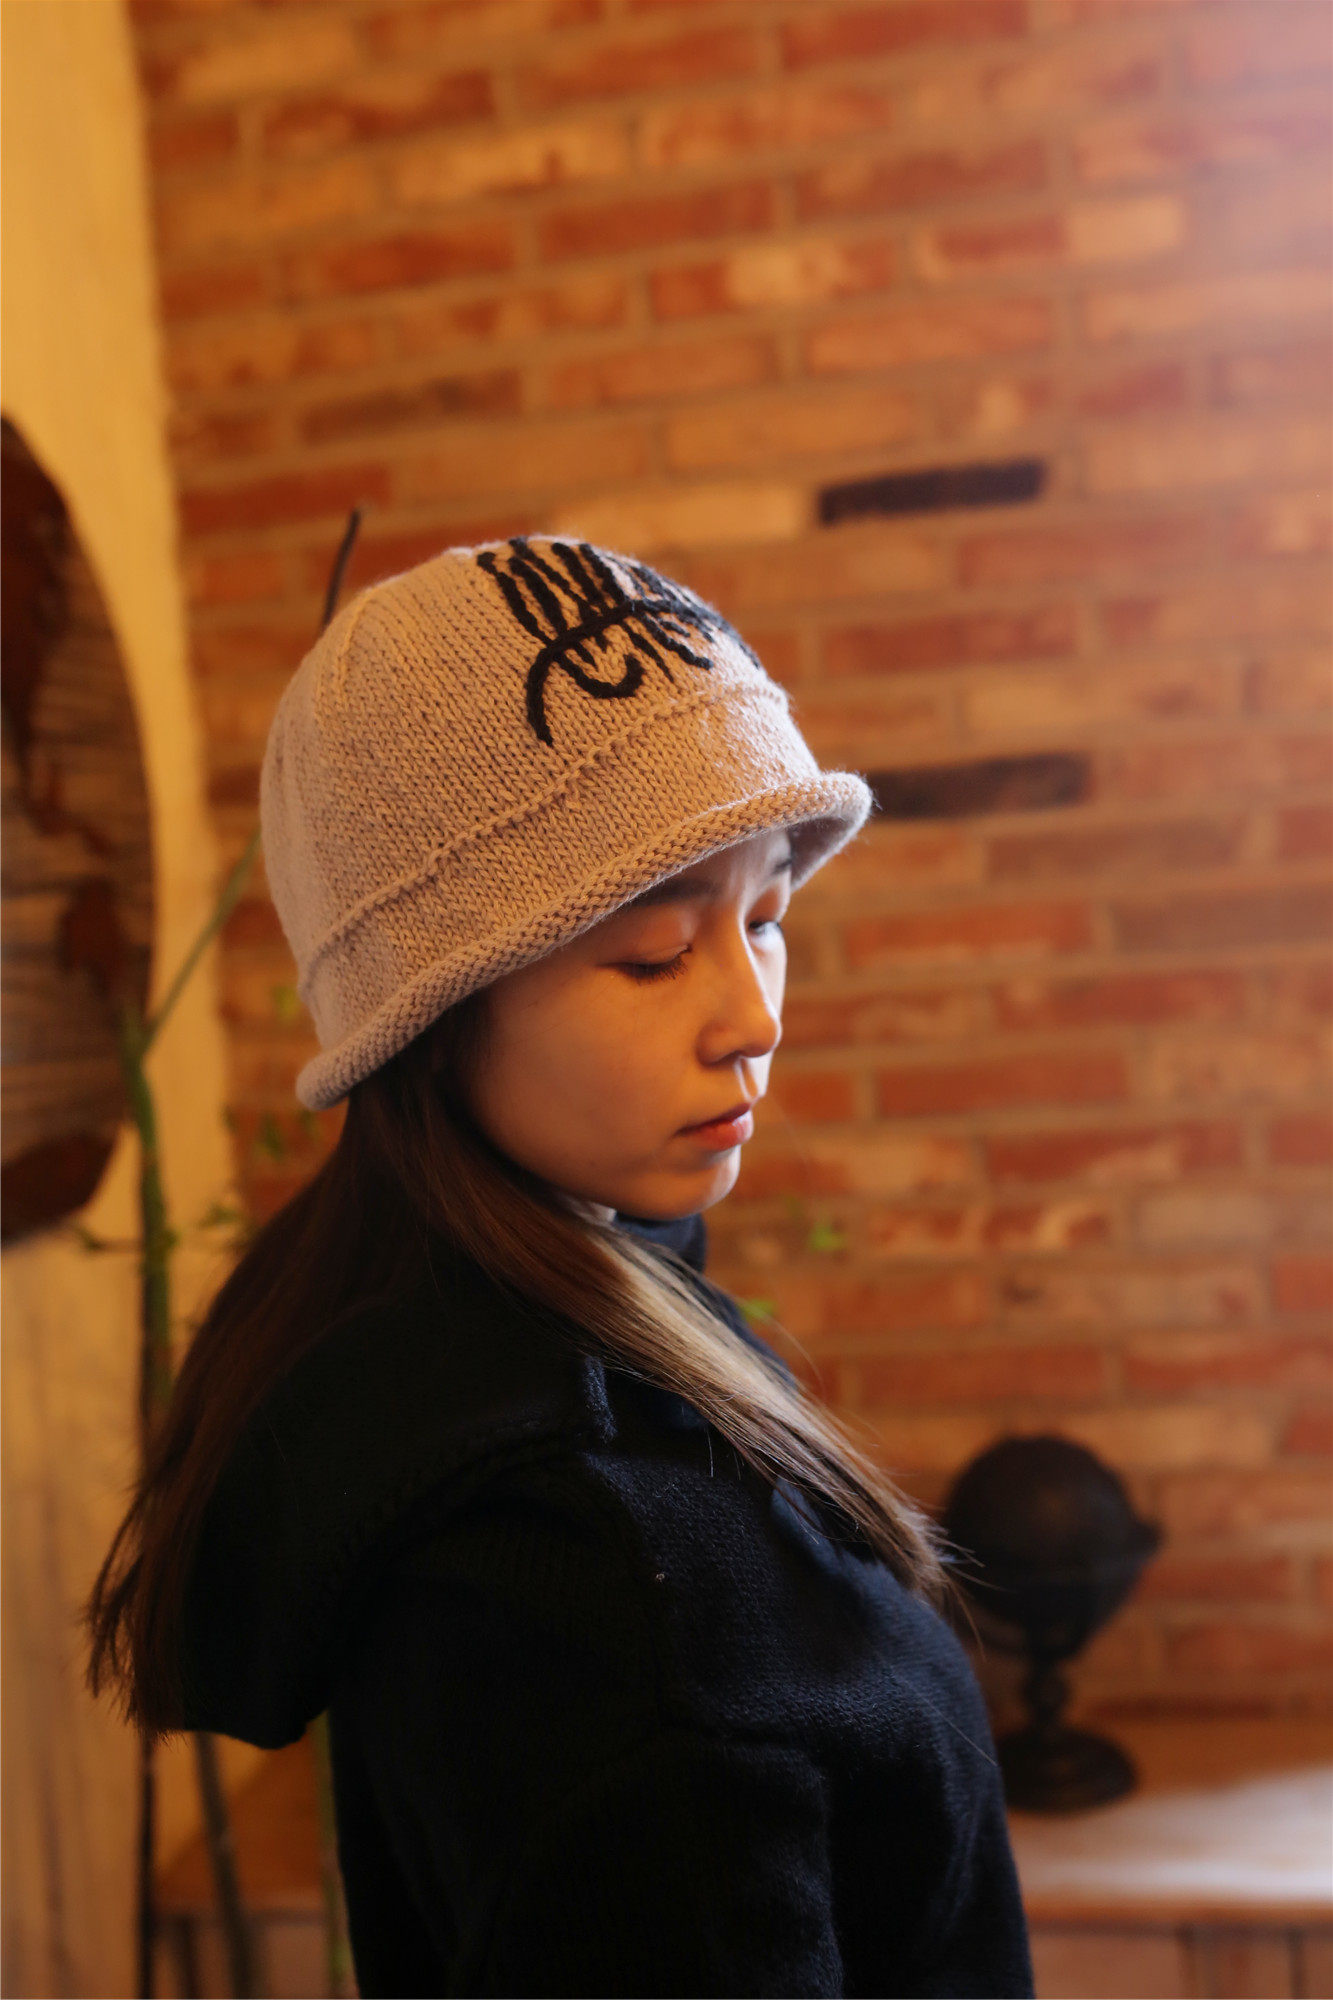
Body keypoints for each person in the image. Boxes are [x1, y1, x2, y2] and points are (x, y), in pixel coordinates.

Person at [85, 536, 1034, 1999]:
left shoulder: (562, 1327)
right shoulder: (600, 1612)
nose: (754, 1017)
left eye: (766, 919)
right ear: (431, 1011)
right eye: (654, 955)